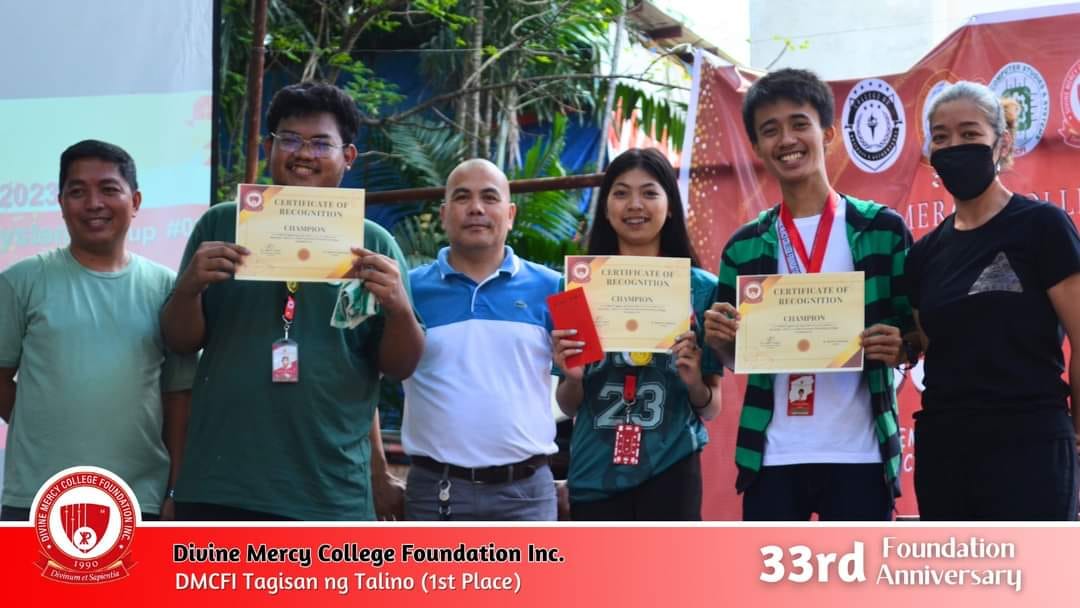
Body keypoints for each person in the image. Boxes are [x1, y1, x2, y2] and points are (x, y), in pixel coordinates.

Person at [161, 82, 424, 521]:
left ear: (348, 157)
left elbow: (401, 366)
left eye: (321, 143)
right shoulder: (221, 224)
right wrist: (189, 287)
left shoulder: (373, 245)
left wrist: (397, 308)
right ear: (269, 148)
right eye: (289, 140)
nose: (304, 153)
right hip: (221, 484)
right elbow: (180, 341)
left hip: (330, 489)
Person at [704, 68, 914, 521]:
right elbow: (735, 356)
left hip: (860, 456)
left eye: (799, 123)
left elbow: (915, 330)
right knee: (773, 592)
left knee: (858, 590)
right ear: (757, 148)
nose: (787, 139)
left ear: (829, 133)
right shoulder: (744, 246)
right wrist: (720, 338)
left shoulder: (880, 229)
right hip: (773, 455)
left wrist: (901, 344)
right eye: (770, 130)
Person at [906, 81, 1080, 520]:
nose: (953, 146)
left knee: (1034, 586)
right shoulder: (924, 255)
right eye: (940, 137)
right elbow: (925, 344)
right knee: (957, 586)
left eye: (969, 133)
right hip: (946, 452)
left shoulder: (1043, 227)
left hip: (1031, 445)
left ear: (1001, 143)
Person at [0, 140, 195, 521]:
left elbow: (178, 399)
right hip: (36, 499)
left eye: (109, 189)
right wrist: (42, 423)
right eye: (77, 192)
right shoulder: (21, 282)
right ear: (60, 204)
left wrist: (173, 490)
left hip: (138, 500)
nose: (93, 204)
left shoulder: (168, 290)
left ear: (135, 202)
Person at [552, 148, 722, 520]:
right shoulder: (578, 285)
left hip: (672, 469)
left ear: (671, 205)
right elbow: (568, 405)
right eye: (621, 192)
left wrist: (694, 382)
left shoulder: (703, 290)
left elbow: (711, 406)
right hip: (594, 473)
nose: (634, 205)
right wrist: (572, 377)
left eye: (649, 192)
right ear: (606, 206)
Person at [402, 159, 561, 521]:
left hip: (528, 498)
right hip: (434, 495)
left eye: (490, 197)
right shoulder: (407, 290)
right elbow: (365, 382)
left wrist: (576, 375)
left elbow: (579, 391)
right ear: (444, 214)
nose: (476, 208)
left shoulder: (559, 289)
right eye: (462, 198)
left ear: (510, 213)